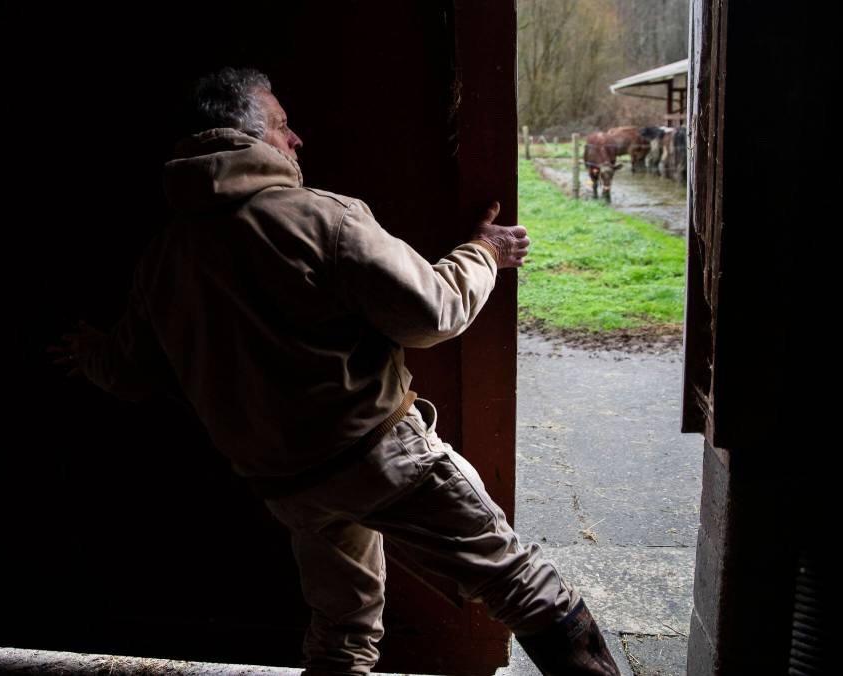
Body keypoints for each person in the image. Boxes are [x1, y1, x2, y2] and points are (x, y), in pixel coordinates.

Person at [48, 66, 619, 676]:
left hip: (292, 488)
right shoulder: (323, 219)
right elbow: (433, 312)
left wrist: (91, 353)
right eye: (283, 125)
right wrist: (486, 251)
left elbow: (128, 372)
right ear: (247, 135)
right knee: (520, 581)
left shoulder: (163, 257)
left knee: (342, 632)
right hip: (383, 460)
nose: (297, 139)